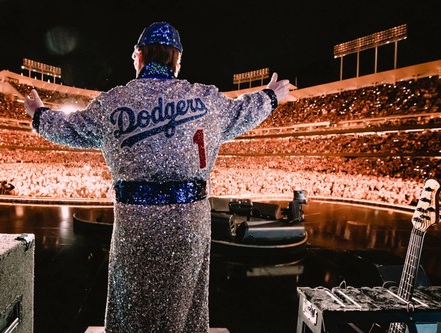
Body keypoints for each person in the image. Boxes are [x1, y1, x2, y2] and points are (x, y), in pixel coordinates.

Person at [24, 21, 290, 333]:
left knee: (132, 299)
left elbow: (71, 129)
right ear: (178, 61)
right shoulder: (206, 100)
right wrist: (270, 96)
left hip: (134, 221)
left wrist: (39, 114)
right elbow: (244, 111)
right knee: (185, 300)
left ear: (138, 56)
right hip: (189, 221)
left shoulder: (113, 103)